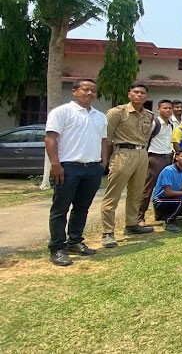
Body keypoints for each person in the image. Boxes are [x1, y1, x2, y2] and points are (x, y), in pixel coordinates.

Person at [45, 78, 108, 266]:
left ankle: (75, 241)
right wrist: (55, 164)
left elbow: (103, 140)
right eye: (85, 89)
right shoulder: (62, 112)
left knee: (82, 208)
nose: (89, 93)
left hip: (92, 168)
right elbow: (50, 138)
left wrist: (103, 162)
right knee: (60, 209)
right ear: (75, 91)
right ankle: (57, 247)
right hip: (68, 168)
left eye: (93, 91)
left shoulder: (99, 116)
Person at [101, 83, 155, 248]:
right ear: (129, 94)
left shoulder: (149, 115)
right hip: (123, 153)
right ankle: (108, 232)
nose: (139, 95)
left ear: (146, 96)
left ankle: (131, 224)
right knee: (113, 195)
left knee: (137, 192)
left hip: (142, 154)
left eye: (142, 93)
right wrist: (105, 159)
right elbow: (107, 137)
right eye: (136, 92)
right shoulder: (117, 113)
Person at [139, 99, 174, 226]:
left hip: (167, 157)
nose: (168, 110)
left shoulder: (171, 124)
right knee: (147, 188)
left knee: (165, 188)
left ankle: (160, 213)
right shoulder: (154, 123)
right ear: (158, 109)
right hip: (154, 158)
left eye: (170, 108)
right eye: (165, 108)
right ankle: (140, 217)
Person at [152, 148, 182, 232]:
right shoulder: (168, 170)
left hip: (171, 199)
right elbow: (167, 193)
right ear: (176, 157)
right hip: (160, 200)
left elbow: (179, 188)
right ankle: (169, 222)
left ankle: (164, 215)